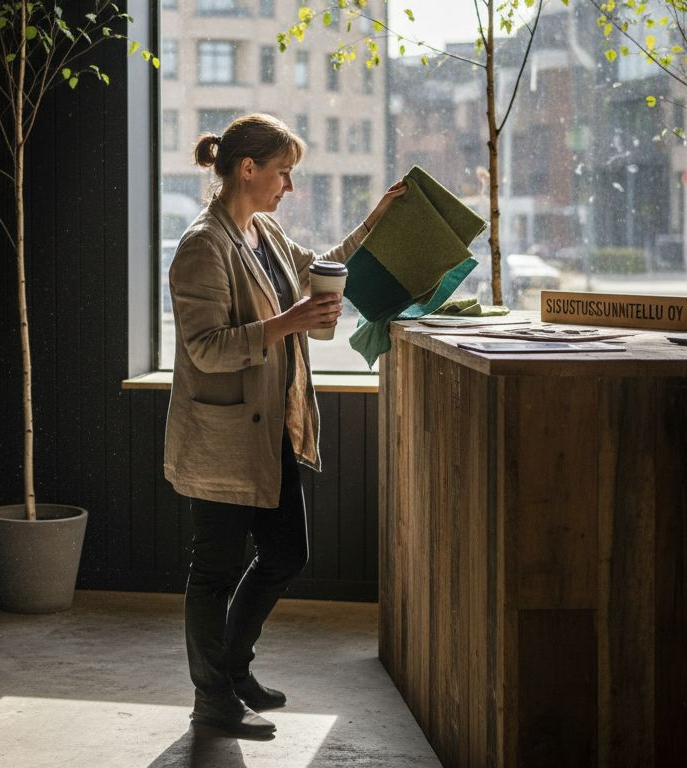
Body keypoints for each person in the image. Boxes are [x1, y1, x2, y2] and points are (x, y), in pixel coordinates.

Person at [164, 113, 405, 737]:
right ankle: (212, 699)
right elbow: (205, 349)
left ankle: (233, 670)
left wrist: (377, 218)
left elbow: (320, 266)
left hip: (269, 427)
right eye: (283, 172)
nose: (289, 186)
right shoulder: (202, 246)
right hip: (221, 439)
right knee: (213, 572)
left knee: (286, 553)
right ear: (248, 169)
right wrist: (289, 323)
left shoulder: (262, 230)